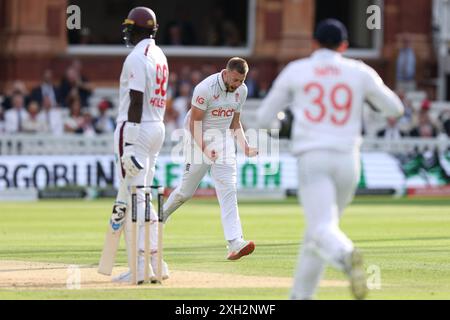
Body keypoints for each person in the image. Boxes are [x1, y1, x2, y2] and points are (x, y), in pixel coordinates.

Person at [257, 19, 404, 300]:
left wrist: (283, 124)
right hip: (349, 159)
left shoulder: (297, 70)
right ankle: (300, 295)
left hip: (313, 156)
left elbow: (264, 118)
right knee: (320, 228)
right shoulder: (359, 71)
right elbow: (395, 109)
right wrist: (367, 99)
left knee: (322, 228)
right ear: (344, 45)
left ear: (313, 43)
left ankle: (346, 255)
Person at [162, 57, 258, 261]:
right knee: (185, 193)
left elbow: (235, 122)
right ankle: (159, 217)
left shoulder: (242, 91)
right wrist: (205, 148)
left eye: (241, 81)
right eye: (234, 80)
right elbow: (194, 122)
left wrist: (245, 146)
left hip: (222, 140)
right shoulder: (205, 88)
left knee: (228, 189)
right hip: (199, 137)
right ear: (226, 72)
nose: (236, 85)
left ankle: (235, 242)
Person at [111, 7, 169, 283]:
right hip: (157, 127)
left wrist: (131, 143)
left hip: (136, 128)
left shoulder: (137, 56)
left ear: (135, 29)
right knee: (143, 195)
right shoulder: (160, 55)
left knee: (133, 197)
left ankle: (139, 267)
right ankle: (156, 262)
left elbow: (135, 99)